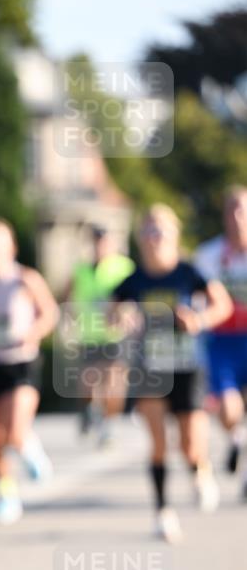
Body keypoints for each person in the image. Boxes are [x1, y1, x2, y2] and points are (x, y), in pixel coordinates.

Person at [112, 205, 233, 543]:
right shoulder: (132, 281)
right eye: (149, 231)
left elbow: (221, 305)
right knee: (158, 444)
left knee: (191, 445)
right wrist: (121, 319)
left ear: (173, 235)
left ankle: (200, 470)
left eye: (161, 231)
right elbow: (112, 314)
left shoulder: (189, 273)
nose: (155, 238)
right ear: (140, 238)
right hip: (149, 368)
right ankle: (163, 511)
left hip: (186, 367)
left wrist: (199, 320)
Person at [0, 220, 59, 523]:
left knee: (15, 432)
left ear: (11, 248)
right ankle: (7, 493)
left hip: (19, 361)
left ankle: (29, 449)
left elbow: (50, 314)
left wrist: (33, 332)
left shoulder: (25, 279)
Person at [195, 185, 247, 495]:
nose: (238, 217)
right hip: (222, 342)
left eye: (242, 209)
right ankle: (235, 439)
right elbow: (196, 299)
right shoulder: (209, 256)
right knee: (229, 410)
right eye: (232, 210)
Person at [64, 225, 134, 445]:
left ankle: (107, 425)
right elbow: (68, 295)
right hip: (90, 335)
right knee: (88, 384)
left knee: (114, 385)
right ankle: (88, 411)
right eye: (96, 242)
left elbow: (133, 297)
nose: (100, 246)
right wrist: (68, 320)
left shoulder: (124, 267)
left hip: (116, 335)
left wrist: (126, 314)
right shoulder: (81, 270)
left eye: (104, 241)